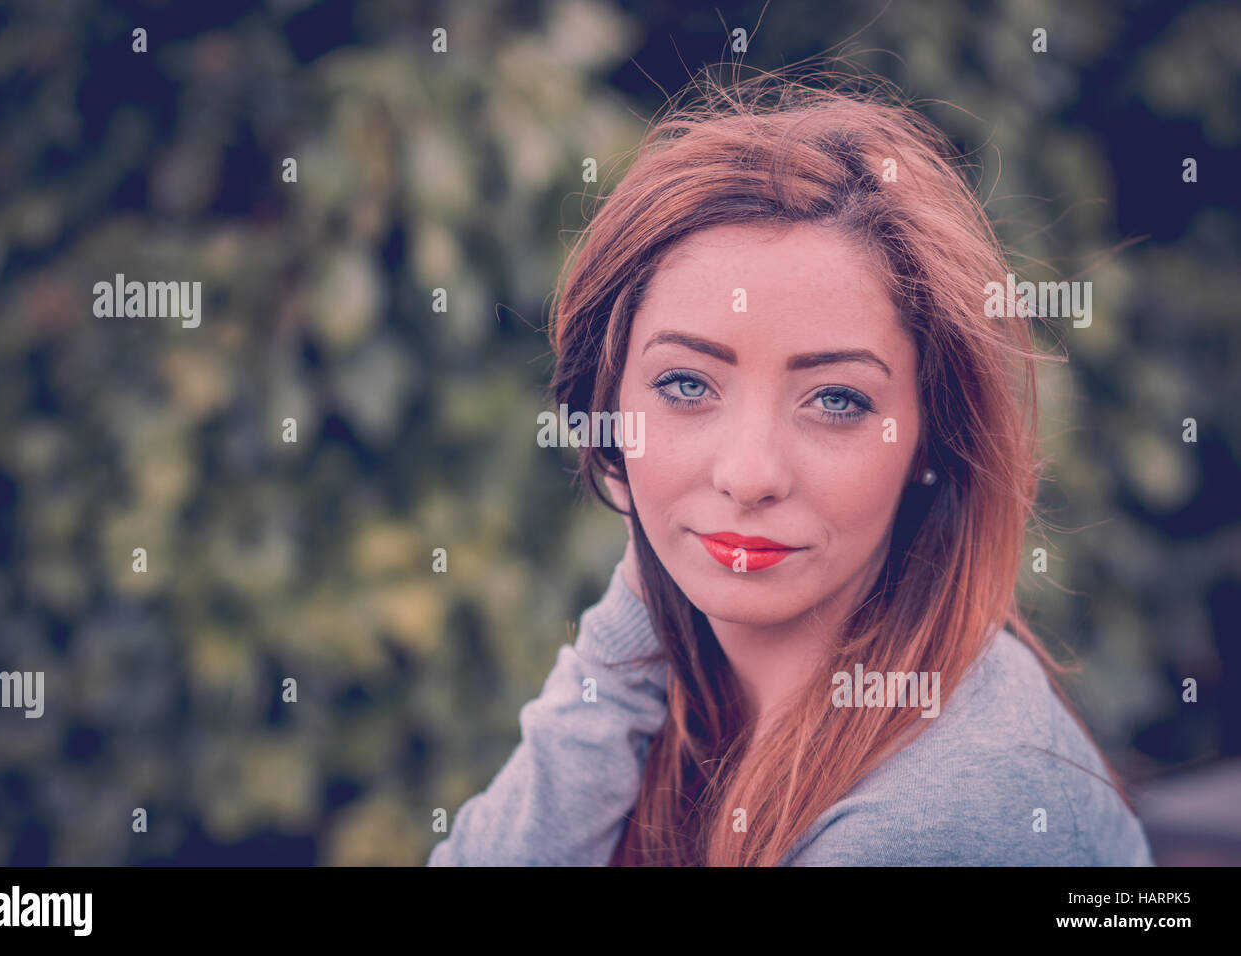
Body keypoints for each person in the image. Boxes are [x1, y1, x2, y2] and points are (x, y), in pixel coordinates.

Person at [428, 68, 1154, 866]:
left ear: (929, 441)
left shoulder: (935, 820)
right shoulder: (691, 679)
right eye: (685, 385)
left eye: (837, 400)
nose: (748, 474)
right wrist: (632, 626)